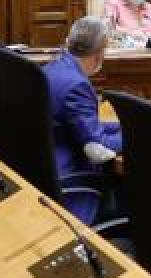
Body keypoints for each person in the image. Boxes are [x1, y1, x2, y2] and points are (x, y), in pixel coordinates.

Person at [44, 15, 123, 224]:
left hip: (48, 166)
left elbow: (83, 126)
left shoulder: (54, 68)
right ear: (99, 54)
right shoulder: (77, 86)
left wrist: (124, 125)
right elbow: (98, 144)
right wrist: (138, 136)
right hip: (72, 180)